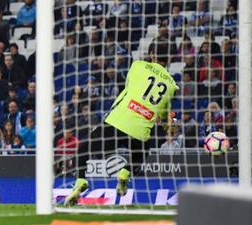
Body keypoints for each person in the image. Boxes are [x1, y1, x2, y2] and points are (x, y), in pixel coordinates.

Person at [64, 40, 178, 206]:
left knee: (83, 151)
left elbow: (130, 89)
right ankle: (125, 172)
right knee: (142, 150)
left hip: (117, 121)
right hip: (139, 130)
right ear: (169, 58)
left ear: (152, 54)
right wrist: (171, 126)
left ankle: (81, 180)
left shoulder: (138, 65)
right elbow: (163, 116)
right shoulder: (171, 85)